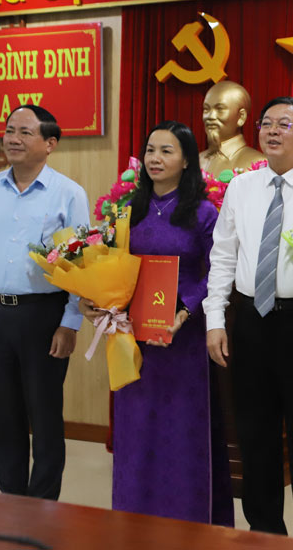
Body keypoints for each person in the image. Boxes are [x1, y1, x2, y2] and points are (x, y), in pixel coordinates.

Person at [204, 97, 293, 541]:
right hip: (249, 318)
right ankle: (263, 531)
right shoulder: (241, 188)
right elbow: (223, 254)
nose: (271, 131)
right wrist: (215, 319)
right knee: (254, 435)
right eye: (266, 123)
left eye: (284, 124)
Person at [79, 121, 233, 525]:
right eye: (150, 150)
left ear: (186, 161)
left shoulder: (203, 212)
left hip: (182, 336)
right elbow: (109, 265)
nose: (155, 159)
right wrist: (94, 299)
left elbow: (216, 271)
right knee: (138, 428)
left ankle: (190, 519)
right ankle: (135, 515)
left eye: (166, 151)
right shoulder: (129, 210)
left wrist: (186, 309)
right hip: (134, 337)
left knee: (182, 430)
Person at [0, 105, 89, 500]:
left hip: (43, 316)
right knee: (4, 416)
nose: (13, 138)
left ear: (50, 144)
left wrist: (70, 323)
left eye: (25, 132)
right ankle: (10, 501)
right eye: (9, 130)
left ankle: (44, 508)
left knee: (45, 416)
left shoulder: (69, 193)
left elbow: (83, 263)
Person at [199, 80, 266, 175]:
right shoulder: (196, 161)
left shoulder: (257, 164)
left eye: (220, 109)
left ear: (241, 116)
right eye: (206, 109)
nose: (210, 116)